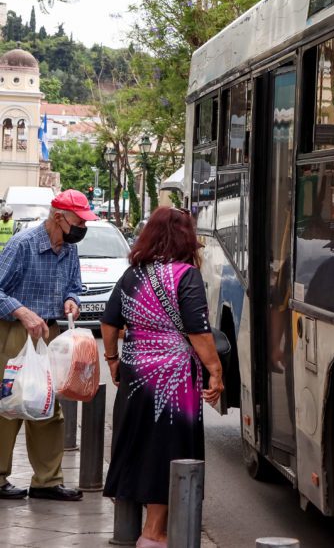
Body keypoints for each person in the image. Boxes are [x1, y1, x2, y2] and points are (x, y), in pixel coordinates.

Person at [101, 207, 223, 548]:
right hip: (174, 381)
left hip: (135, 374)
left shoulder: (133, 274)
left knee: (136, 444)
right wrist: (215, 371)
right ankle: (154, 532)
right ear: (186, 237)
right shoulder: (187, 275)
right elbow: (197, 330)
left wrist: (113, 360)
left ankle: (137, 528)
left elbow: (109, 322)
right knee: (169, 451)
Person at [0, 189, 93, 502]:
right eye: (79, 222)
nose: (83, 228)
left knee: (49, 407)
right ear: (59, 217)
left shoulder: (69, 249)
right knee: (8, 404)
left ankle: (47, 482)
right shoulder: (22, 245)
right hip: (15, 332)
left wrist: (72, 300)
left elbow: (75, 286)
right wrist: (22, 311)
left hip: (50, 334)